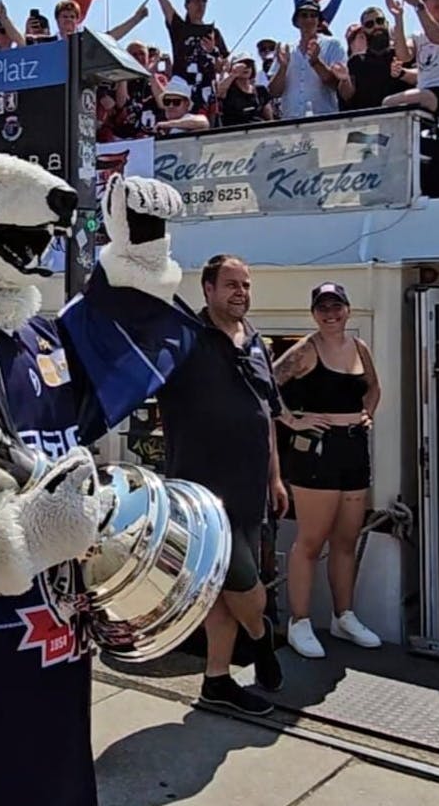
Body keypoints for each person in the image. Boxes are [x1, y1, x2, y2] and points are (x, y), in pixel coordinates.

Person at [157, 254, 287, 715]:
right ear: (208, 289)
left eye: (246, 285)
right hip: (202, 493)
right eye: (231, 284)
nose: (241, 293)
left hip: (251, 487)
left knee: (221, 590)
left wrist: (275, 477)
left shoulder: (255, 340)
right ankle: (261, 637)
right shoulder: (184, 339)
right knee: (242, 581)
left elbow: (266, 414)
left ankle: (216, 680)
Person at [273, 282, 382, 658]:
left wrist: (368, 413)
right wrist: (293, 420)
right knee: (311, 540)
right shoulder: (306, 350)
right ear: (313, 313)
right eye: (323, 308)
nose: (330, 314)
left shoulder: (360, 347)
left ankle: (343, 616)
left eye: (337, 306)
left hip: (354, 448)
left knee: (346, 539)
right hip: (317, 450)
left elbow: (373, 387)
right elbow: (265, 384)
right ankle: (299, 622)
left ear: (348, 310)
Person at [268, 0, 345, 118]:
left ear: (318, 20)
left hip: (324, 120)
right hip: (292, 122)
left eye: (313, 15)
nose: (308, 19)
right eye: (304, 15)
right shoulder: (286, 50)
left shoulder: (333, 45)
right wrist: (283, 68)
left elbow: (338, 86)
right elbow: (274, 92)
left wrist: (316, 63)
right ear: (297, 21)